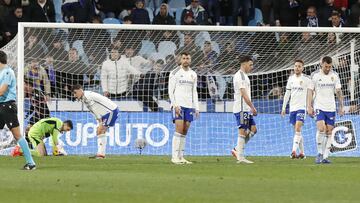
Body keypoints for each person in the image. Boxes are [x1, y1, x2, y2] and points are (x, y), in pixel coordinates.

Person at [0, 50, 36, 170]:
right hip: (1, 106)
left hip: (7, 106)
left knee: (17, 135)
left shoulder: (7, 72)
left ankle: (31, 163)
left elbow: (2, 91)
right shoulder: (1, 72)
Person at [307, 56, 344, 164]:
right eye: (326, 66)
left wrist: (341, 106)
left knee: (329, 131)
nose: (328, 68)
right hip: (319, 106)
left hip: (331, 107)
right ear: (321, 64)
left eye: (330, 66)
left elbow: (338, 91)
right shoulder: (315, 75)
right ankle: (319, 153)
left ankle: (325, 156)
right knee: (321, 128)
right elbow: (310, 91)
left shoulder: (335, 75)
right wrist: (309, 106)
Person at [72, 84, 120, 159]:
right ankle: (100, 154)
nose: (74, 95)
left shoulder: (88, 96)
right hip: (105, 113)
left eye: (75, 92)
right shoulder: (84, 97)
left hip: (111, 111)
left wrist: (100, 121)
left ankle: (101, 154)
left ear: (80, 90)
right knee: (99, 131)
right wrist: (99, 120)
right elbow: (93, 110)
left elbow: (94, 108)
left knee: (101, 130)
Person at [168, 52, 199, 164]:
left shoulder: (193, 74)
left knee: (185, 130)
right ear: (180, 60)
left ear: (190, 60)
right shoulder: (174, 72)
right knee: (179, 129)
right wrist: (175, 105)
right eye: (184, 58)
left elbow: (194, 91)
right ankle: (174, 157)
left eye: (188, 58)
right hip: (178, 105)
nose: (186, 60)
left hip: (189, 106)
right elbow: (170, 91)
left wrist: (197, 107)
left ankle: (181, 156)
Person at [281, 59, 311, 159]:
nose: (297, 68)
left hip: (301, 108)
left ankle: (293, 151)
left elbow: (312, 92)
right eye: (295, 66)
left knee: (298, 128)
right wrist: (284, 107)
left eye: (299, 66)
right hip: (292, 108)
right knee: (297, 131)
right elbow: (287, 94)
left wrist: (309, 105)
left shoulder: (307, 79)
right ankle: (302, 153)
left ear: (302, 68)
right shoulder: (291, 79)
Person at [231, 55, 257, 164]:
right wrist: (252, 107)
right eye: (250, 65)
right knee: (242, 132)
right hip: (241, 108)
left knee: (253, 129)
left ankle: (237, 149)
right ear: (244, 64)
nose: (252, 67)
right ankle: (240, 157)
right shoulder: (240, 76)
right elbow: (243, 93)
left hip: (246, 109)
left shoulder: (245, 76)